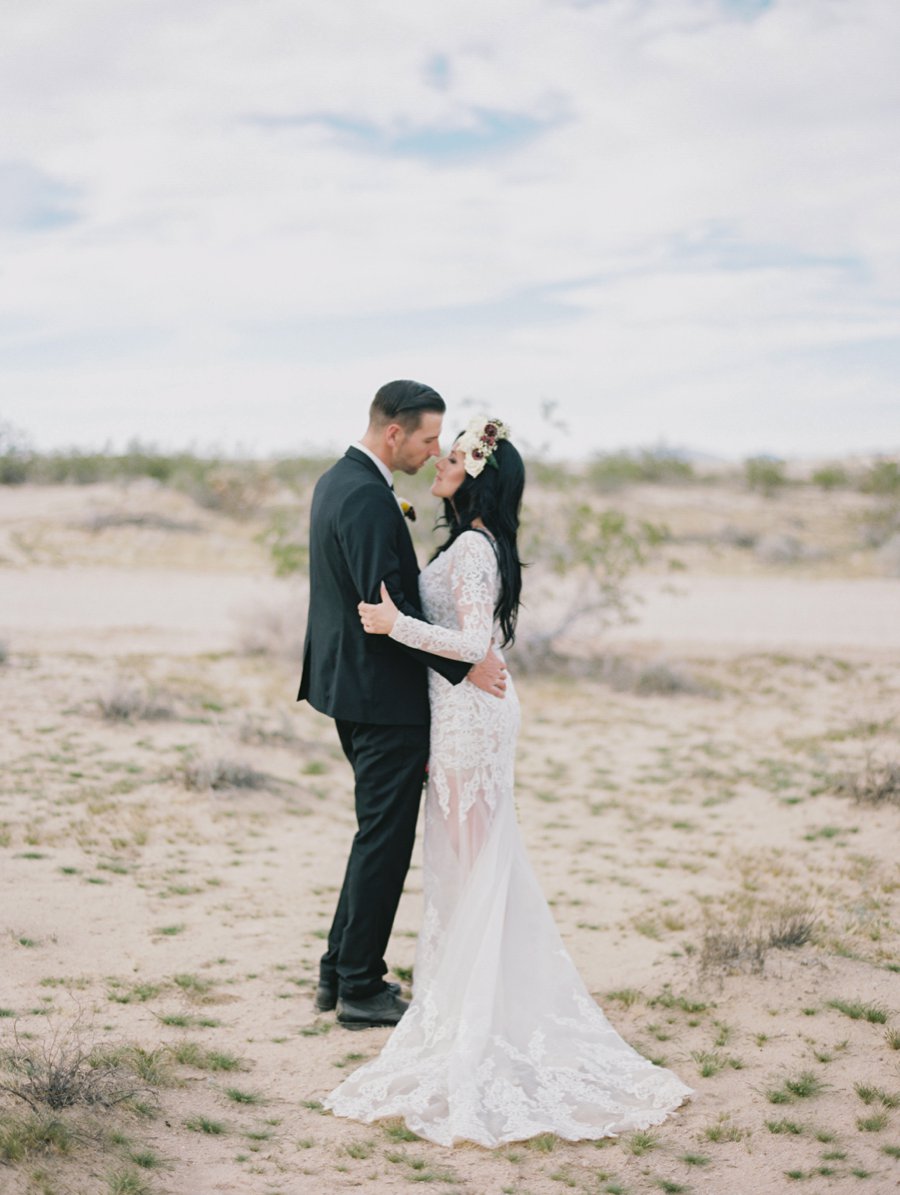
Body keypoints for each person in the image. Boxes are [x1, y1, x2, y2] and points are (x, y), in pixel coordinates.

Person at [323, 415, 692, 1146]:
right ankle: (469, 1000)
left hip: (472, 716)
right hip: (457, 711)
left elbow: (472, 642)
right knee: (467, 866)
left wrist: (394, 623)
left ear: (478, 474)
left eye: (454, 455)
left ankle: (482, 1015)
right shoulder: (467, 541)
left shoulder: (473, 548)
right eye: (442, 447)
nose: (441, 461)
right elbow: (472, 645)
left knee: (475, 865)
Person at [298, 382, 508, 1031]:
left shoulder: (340, 480)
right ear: (395, 434)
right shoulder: (364, 496)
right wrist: (464, 663)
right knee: (384, 842)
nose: (432, 451)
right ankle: (362, 985)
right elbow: (383, 607)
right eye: (425, 440)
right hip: (381, 696)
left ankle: (340, 968)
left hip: (354, 688)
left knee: (373, 835)